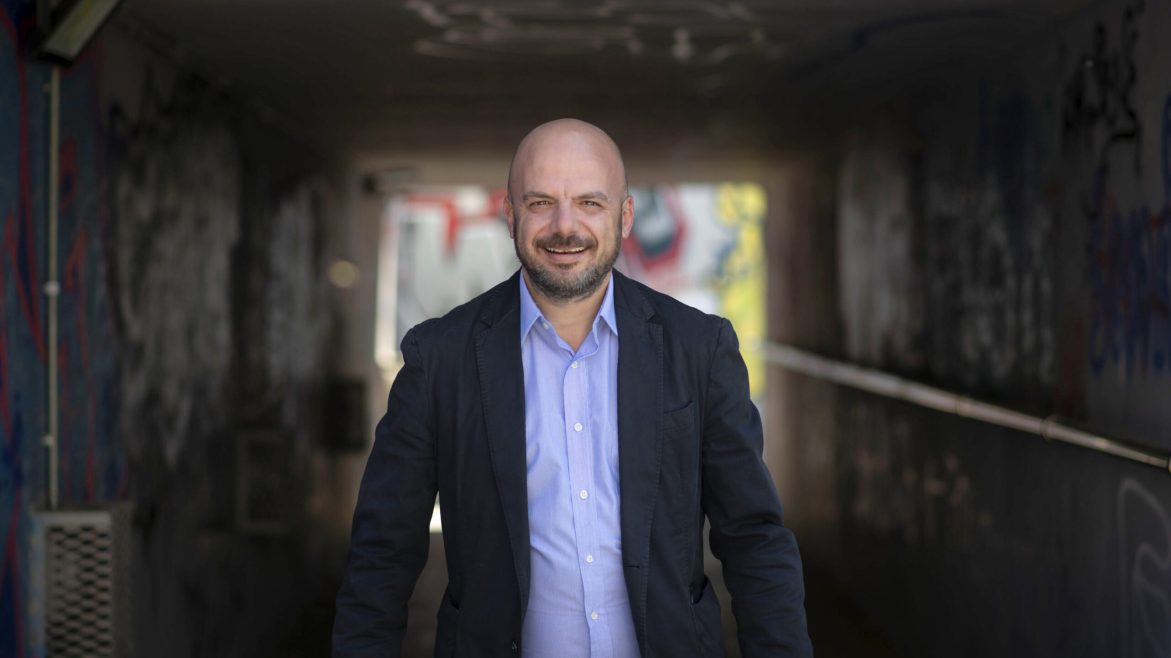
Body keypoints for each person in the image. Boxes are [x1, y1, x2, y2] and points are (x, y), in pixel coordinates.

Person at [333, 119, 812, 658]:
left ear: (625, 216)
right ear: (509, 215)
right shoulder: (439, 358)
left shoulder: (699, 348)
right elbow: (382, 554)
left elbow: (754, 539)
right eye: (540, 203)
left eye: (590, 203)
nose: (566, 227)